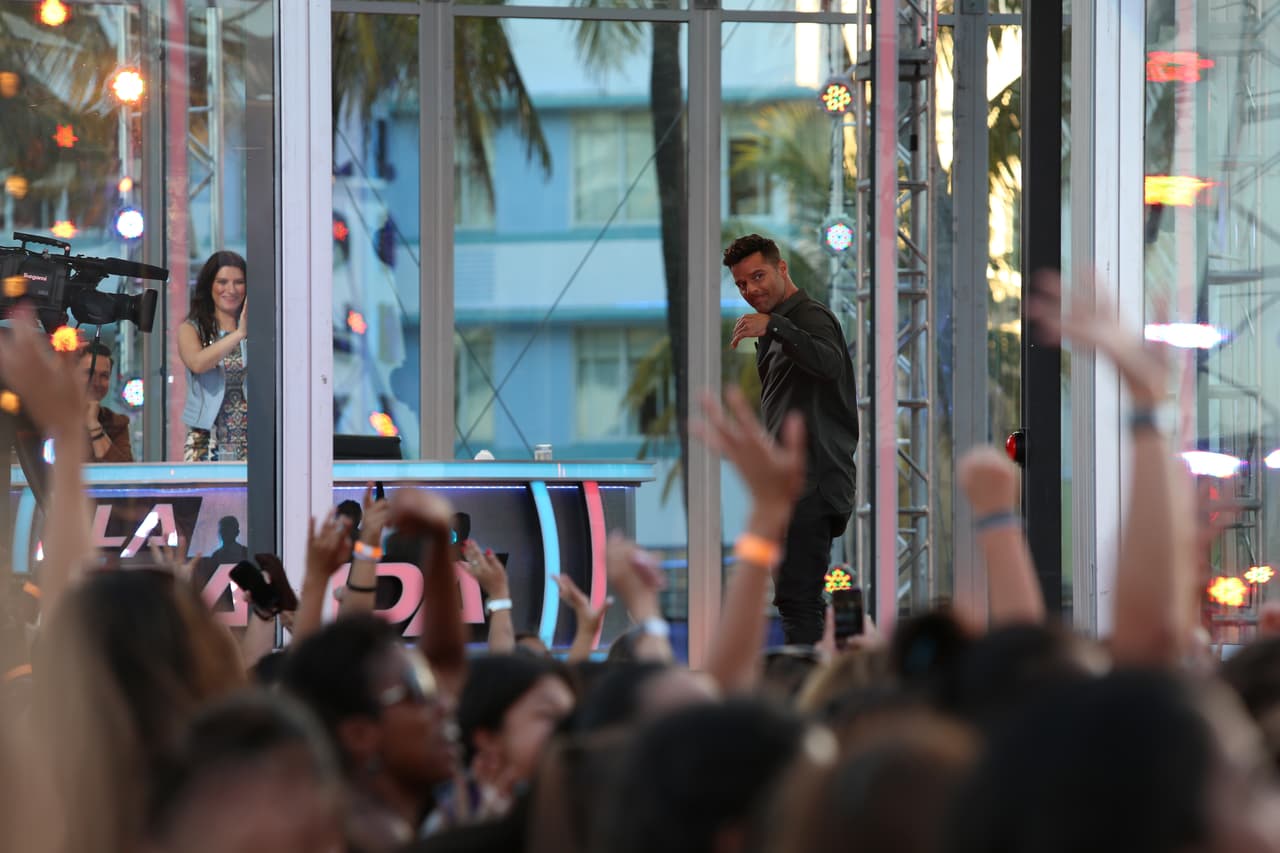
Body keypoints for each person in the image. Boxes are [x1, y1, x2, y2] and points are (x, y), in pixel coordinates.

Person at [723, 234, 859, 645]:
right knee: (797, 599)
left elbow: (830, 363)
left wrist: (775, 326)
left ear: (783, 269)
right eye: (742, 284)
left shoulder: (809, 316)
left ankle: (809, 691)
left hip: (813, 482)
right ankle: (819, 680)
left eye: (758, 276)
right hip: (796, 484)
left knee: (797, 599)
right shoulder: (779, 328)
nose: (751, 290)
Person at [179, 251, 248, 461]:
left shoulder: (261, 331)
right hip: (206, 438)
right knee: (206, 494)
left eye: (239, 282)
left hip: (253, 438)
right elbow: (198, 363)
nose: (231, 289)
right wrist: (238, 334)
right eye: (222, 282)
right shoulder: (192, 329)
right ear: (210, 285)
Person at [78, 341, 133, 462]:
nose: (96, 382)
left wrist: (93, 424)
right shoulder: (50, 416)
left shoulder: (117, 423)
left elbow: (124, 474)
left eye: (104, 376)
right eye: (89, 373)